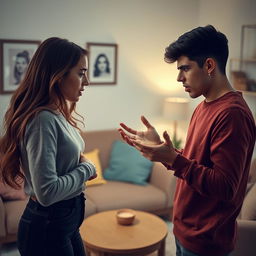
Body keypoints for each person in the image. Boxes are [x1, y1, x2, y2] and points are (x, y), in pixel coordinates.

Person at [118, 25, 256, 256]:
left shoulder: (233, 114)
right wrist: (164, 151)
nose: (179, 77)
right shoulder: (203, 106)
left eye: (185, 68)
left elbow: (225, 186)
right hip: (185, 231)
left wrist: (173, 159)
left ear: (209, 65)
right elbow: (199, 161)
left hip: (206, 241)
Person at [0, 37, 97, 256]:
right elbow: (47, 193)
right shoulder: (42, 120)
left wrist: (80, 161)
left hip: (65, 223)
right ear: (57, 75)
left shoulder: (56, 113)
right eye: (81, 73)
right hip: (47, 227)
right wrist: (87, 168)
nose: (87, 82)